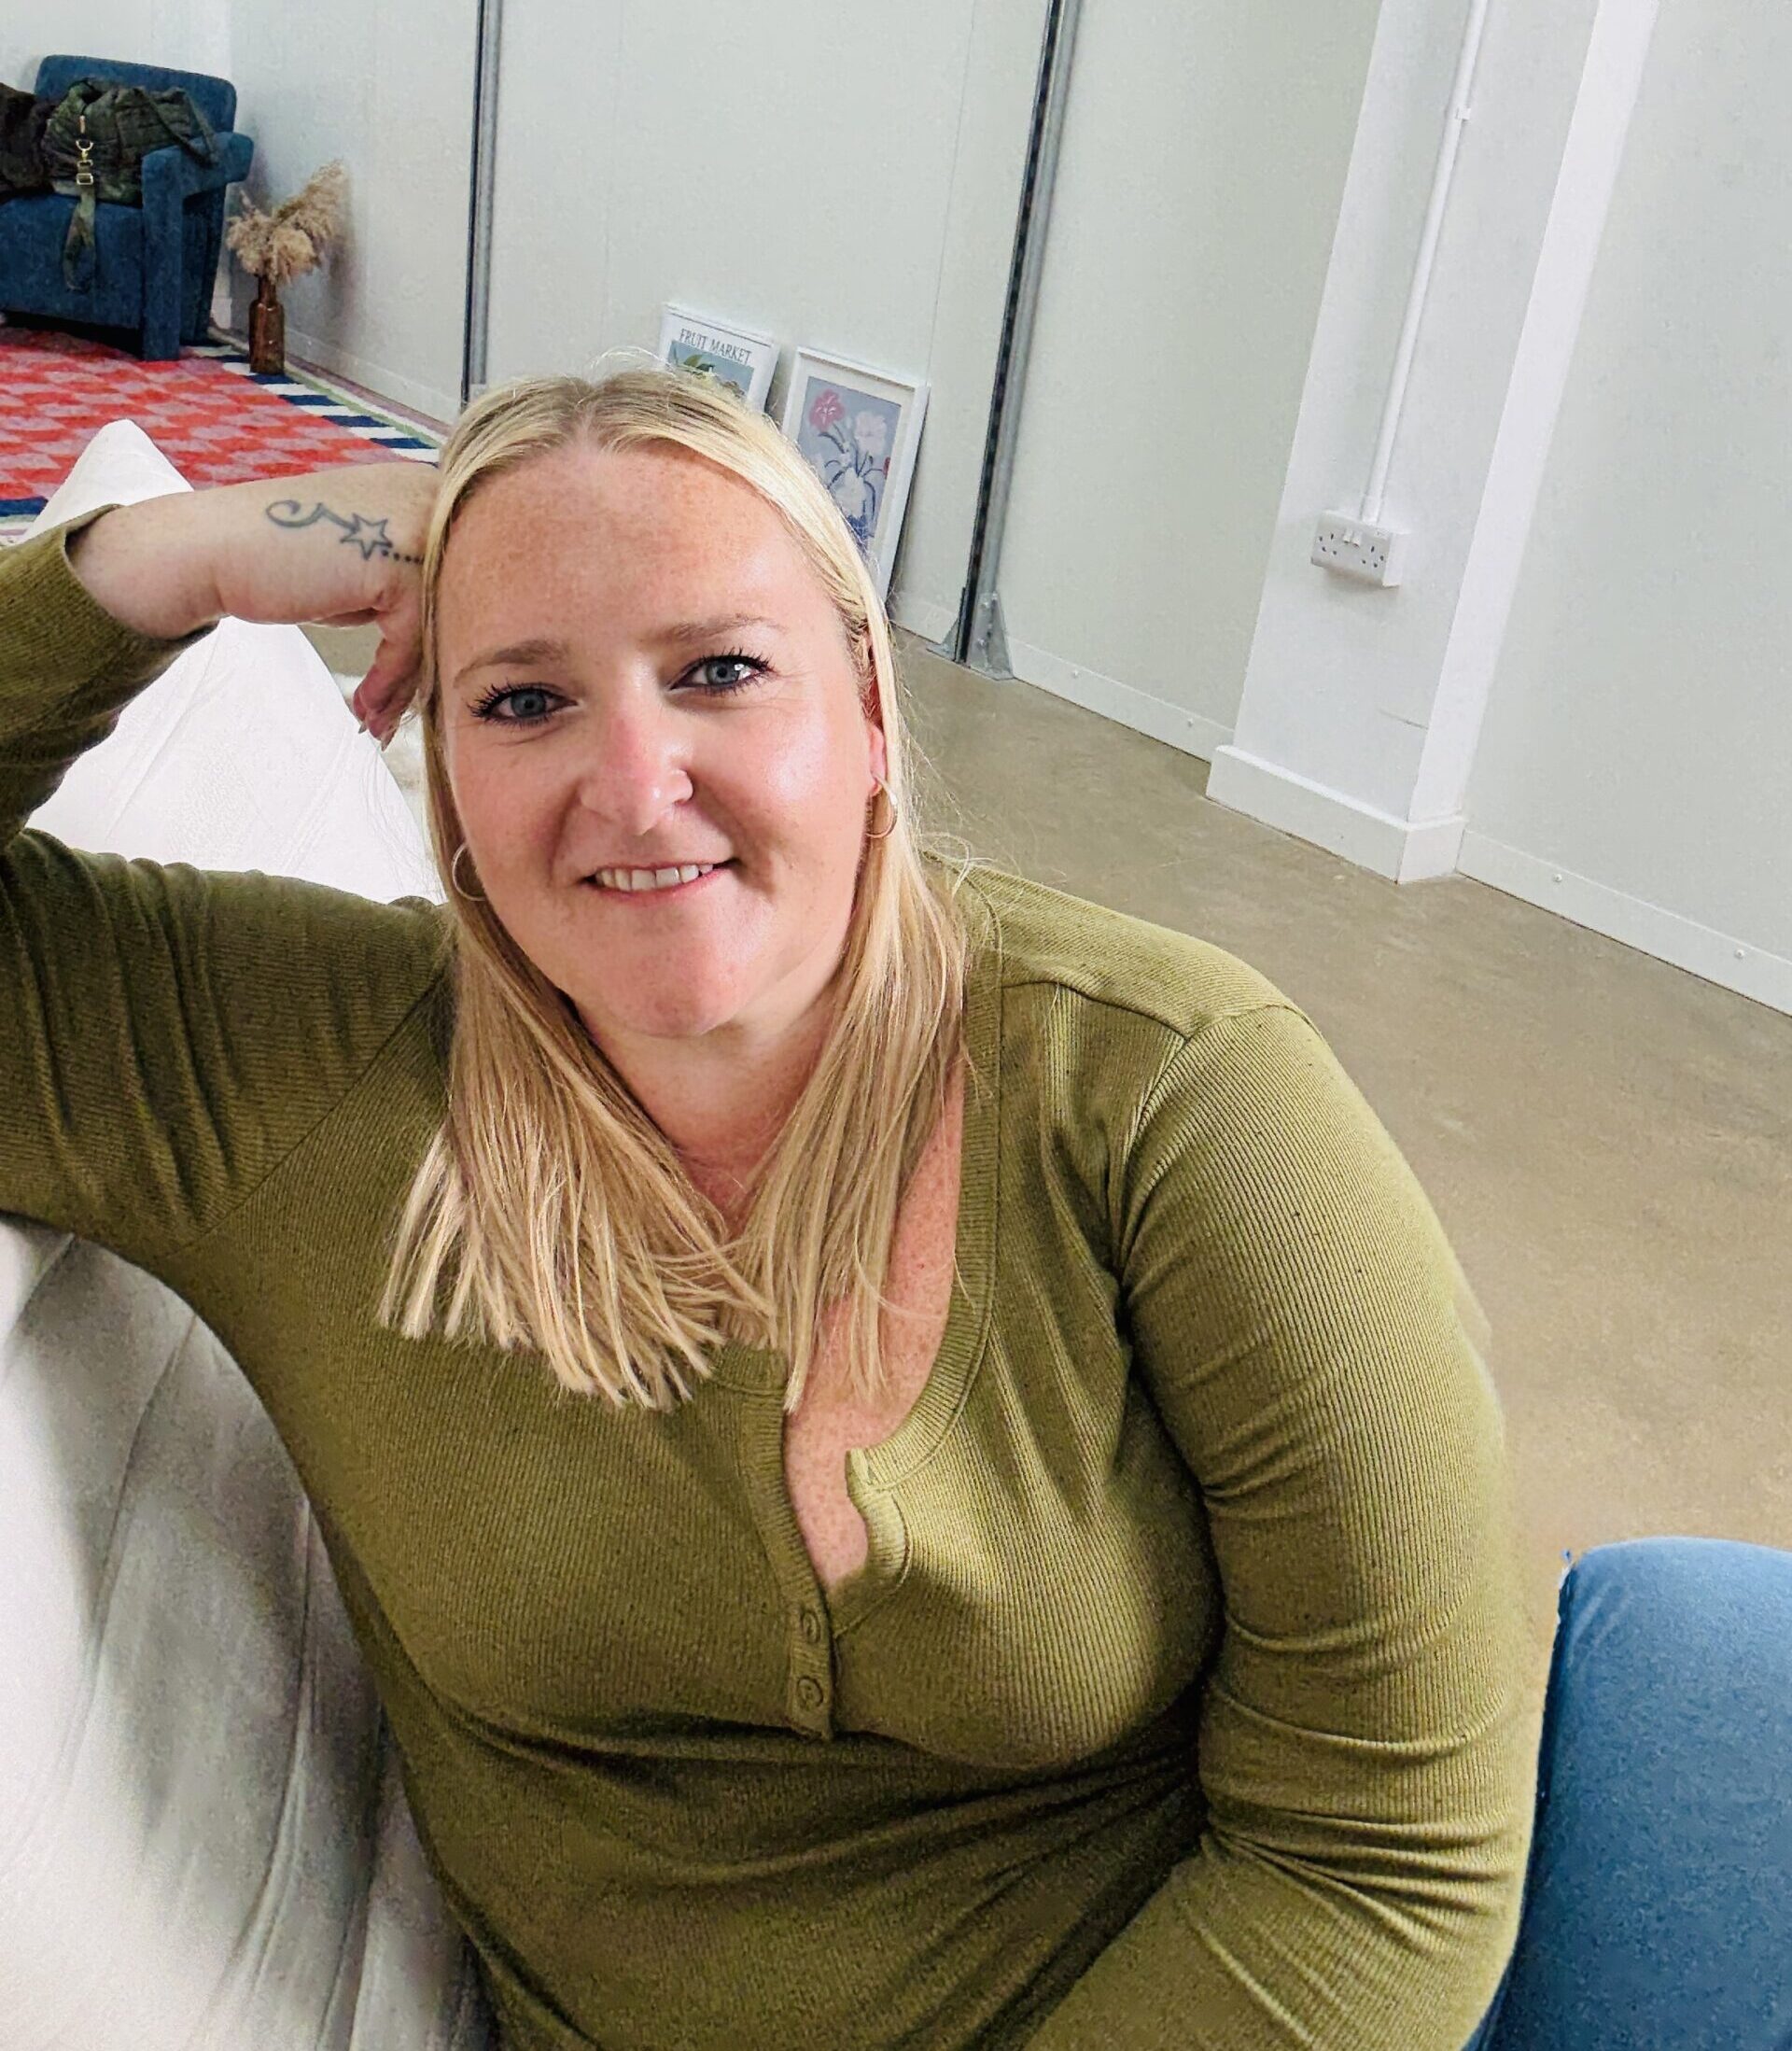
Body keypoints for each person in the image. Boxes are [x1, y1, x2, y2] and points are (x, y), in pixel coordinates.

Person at [0, 366, 1537, 2050]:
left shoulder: (1181, 1097)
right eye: (523, 702)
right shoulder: (296, 1080)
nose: (635, 782)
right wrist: (159, 560)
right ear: (437, 765)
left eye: (719, 670)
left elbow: (1382, 1856)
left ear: (871, 711)